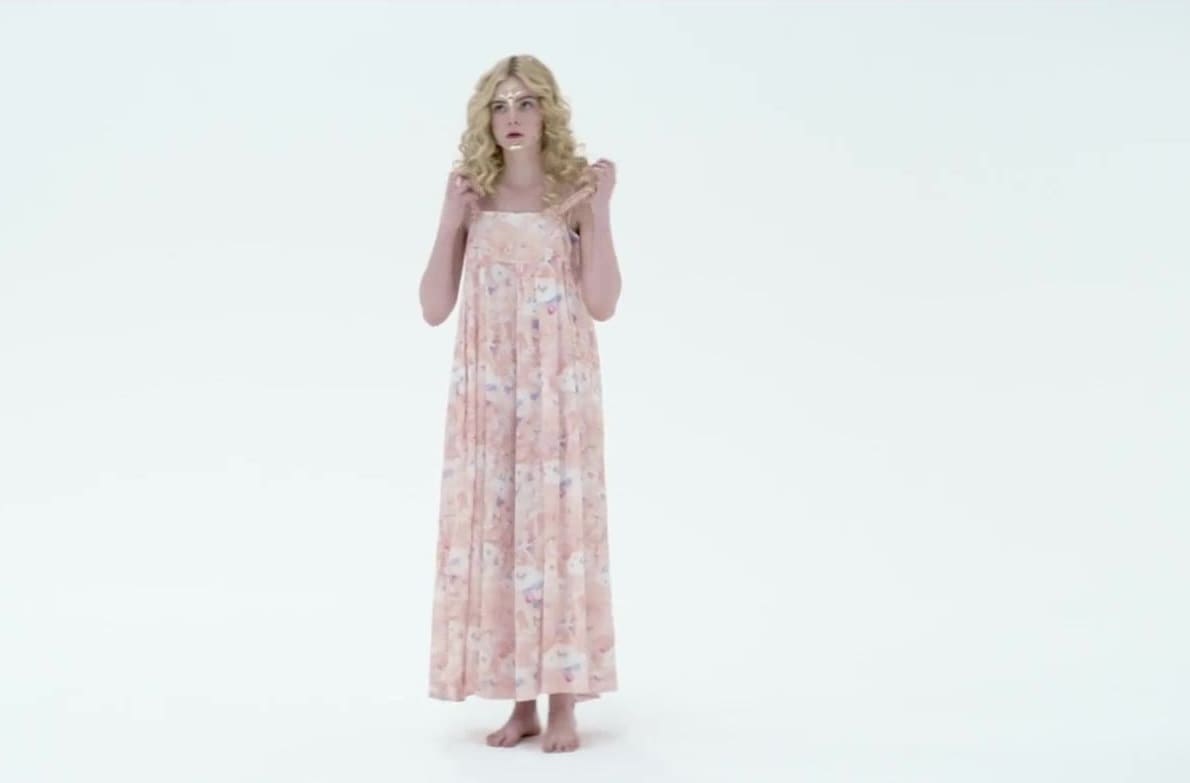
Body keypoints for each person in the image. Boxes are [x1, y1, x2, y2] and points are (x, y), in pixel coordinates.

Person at [419, 54, 622, 753]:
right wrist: (449, 220)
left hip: (558, 390)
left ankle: (565, 701)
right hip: (489, 393)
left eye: (527, 103)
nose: (513, 117)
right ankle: (521, 702)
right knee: (502, 528)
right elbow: (432, 307)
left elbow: (603, 302)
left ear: (547, 114)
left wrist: (600, 213)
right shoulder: (471, 196)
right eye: (500, 105)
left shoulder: (572, 193)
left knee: (556, 529)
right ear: (486, 118)